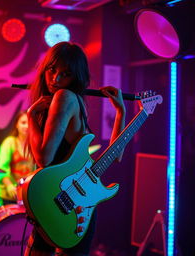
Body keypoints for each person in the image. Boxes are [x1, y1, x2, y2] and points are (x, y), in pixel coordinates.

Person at [24, 41, 126, 256]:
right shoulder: (77, 101)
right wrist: (120, 113)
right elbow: (117, 156)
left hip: (61, 203)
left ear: (76, 78)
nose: (56, 79)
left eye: (66, 74)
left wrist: (31, 116)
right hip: (76, 205)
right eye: (52, 70)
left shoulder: (64, 97)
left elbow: (44, 158)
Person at [0, 111, 35, 206]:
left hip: (26, 196)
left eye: (29, 123)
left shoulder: (34, 145)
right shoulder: (10, 143)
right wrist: (9, 185)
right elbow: (1, 167)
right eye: (23, 122)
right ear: (16, 124)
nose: (27, 126)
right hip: (8, 196)